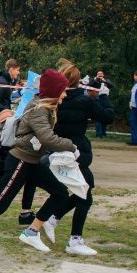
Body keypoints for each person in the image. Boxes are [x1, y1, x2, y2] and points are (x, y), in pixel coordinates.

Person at [0, 69, 76, 260]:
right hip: (20, 160)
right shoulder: (39, 110)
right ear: (53, 91)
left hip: (32, 160)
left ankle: (32, 232)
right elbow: (46, 137)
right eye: (63, 90)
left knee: (60, 193)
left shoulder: (47, 108)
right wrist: (70, 146)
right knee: (1, 202)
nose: (65, 94)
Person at [41, 63, 114, 256]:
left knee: (85, 189)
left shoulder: (55, 99)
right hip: (75, 152)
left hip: (57, 149)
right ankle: (73, 238)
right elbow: (107, 117)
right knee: (85, 194)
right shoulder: (83, 101)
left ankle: (54, 219)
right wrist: (104, 96)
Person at [93, 70, 112, 138]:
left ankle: (104, 133)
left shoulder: (106, 81)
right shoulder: (95, 81)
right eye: (98, 74)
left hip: (105, 99)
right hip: (97, 99)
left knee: (105, 115)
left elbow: (111, 85)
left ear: (103, 75)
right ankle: (99, 134)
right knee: (97, 116)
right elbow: (89, 85)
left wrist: (103, 80)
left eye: (101, 74)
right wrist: (95, 79)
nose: (100, 75)